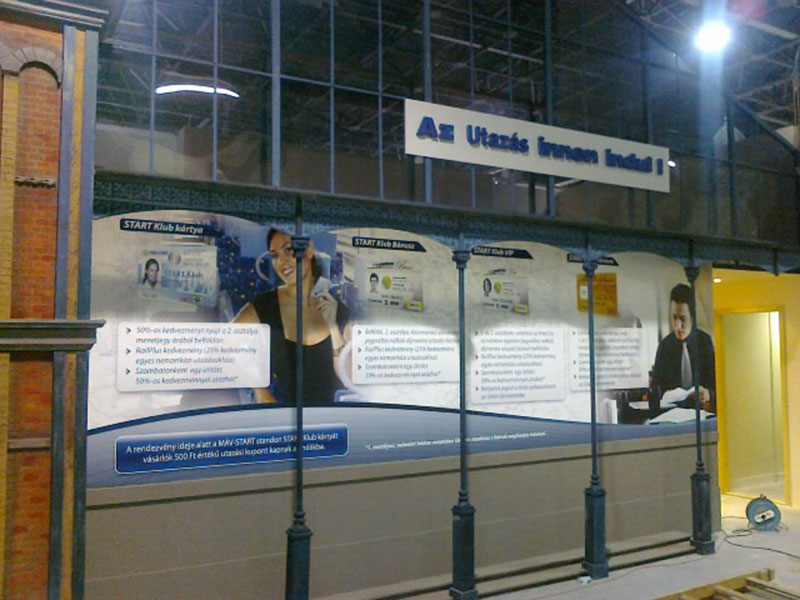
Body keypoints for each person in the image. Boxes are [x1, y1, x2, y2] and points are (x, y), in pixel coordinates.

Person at [235, 229, 350, 405]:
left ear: (309, 250)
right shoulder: (265, 306)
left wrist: (333, 328)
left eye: (288, 250)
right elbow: (225, 347)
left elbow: (347, 374)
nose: (281, 262)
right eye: (275, 256)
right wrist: (260, 391)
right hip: (283, 414)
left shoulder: (337, 309)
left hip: (332, 414)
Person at [651, 283, 716, 413]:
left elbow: (717, 385)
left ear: (692, 317)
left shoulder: (704, 342)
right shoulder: (664, 346)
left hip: (702, 412)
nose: (677, 326)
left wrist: (708, 393)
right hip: (672, 414)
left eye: (683, 319)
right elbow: (657, 388)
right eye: (674, 318)